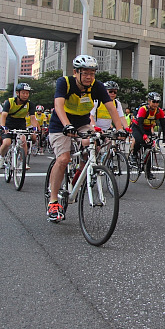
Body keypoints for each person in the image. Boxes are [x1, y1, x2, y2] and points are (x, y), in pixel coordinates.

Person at [46, 55, 126, 223]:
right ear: (76, 72)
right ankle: (53, 201)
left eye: (92, 73)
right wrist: (67, 125)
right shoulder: (65, 82)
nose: (89, 76)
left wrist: (120, 129)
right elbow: (58, 106)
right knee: (63, 158)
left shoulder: (97, 86)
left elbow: (111, 108)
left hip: (82, 123)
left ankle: (81, 174)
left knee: (93, 145)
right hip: (60, 124)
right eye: (85, 73)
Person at [0, 82, 38, 170]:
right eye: (23, 93)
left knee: (23, 141)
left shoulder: (30, 104)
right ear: (17, 93)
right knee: (7, 142)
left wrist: (34, 128)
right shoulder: (9, 102)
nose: (25, 95)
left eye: (27, 93)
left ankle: (23, 162)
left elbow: (32, 117)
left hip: (21, 123)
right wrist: (3, 127)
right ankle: (2, 158)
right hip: (8, 122)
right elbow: (3, 115)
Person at [130, 92, 165, 176]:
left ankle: (148, 171)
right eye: (154, 101)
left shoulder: (159, 111)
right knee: (140, 140)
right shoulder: (143, 109)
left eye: (157, 102)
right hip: (137, 127)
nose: (155, 104)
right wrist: (144, 135)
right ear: (149, 101)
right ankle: (134, 155)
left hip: (147, 128)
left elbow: (163, 124)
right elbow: (139, 124)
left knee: (149, 147)